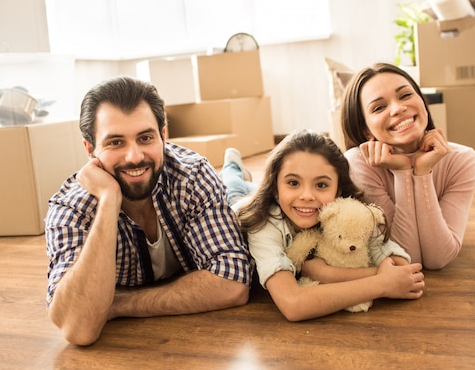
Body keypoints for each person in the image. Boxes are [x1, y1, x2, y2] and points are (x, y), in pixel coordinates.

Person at [44, 76, 252, 346]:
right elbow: (79, 328)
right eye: (115, 143)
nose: (134, 157)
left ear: (163, 135)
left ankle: (233, 167)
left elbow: (233, 284)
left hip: (230, 193)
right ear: (89, 148)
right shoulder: (70, 210)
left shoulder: (194, 174)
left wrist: (118, 304)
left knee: (238, 193)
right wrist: (108, 201)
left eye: (145, 138)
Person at [222, 130, 425, 322]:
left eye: (321, 185)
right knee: (232, 187)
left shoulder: (347, 214)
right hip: (241, 204)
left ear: (339, 190)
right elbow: (293, 304)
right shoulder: (263, 223)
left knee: (250, 189)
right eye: (293, 182)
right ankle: (232, 165)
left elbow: (402, 270)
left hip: (282, 200)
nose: (307, 196)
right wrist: (381, 283)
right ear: (275, 188)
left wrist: (325, 274)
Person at [341, 63, 475, 270]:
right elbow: (407, 256)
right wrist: (403, 172)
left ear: (422, 103)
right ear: (365, 130)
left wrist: (423, 172)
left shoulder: (463, 160)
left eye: (405, 95)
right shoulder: (359, 163)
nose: (398, 108)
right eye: (379, 107)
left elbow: (438, 258)